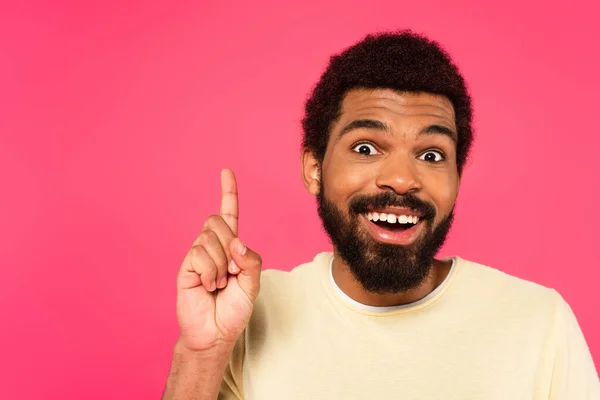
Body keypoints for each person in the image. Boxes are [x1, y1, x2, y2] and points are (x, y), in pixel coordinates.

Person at [161, 31, 600, 399]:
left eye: (431, 154)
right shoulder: (250, 311)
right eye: (366, 148)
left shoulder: (538, 322)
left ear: (457, 178)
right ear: (315, 168)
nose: (402, 180)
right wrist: (203, 353)